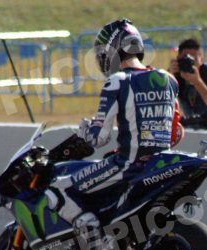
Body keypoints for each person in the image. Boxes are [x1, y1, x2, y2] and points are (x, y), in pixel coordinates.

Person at [47, 18, 183, 236]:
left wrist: (85, 130)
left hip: (128, 165)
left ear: (111, 50)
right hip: (161, 164)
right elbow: (176, 133)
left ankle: (93, 237)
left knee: (56, 187)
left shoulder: (117, 81)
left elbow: (99, 138)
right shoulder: (169, 79)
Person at [169, 38, 207, 130]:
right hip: (194, 123)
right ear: (178, 59)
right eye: (185, 58)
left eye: (193, 58)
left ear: (201, 59)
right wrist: (169, 76)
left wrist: (197, 82)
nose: (189, 62)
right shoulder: (175, 74)